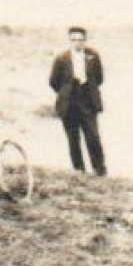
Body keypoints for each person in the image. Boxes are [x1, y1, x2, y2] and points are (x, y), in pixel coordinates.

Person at [49, 26, 106, 177]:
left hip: (88, 102)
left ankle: (99, 170)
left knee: (93, 136)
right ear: (69, 40)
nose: (77, 43)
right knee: (73, 138)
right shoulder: (61, 59)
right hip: (69, 104)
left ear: (85, 40)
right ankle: (79, 170)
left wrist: (88, 90)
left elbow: (99, 78)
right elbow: (53, 81)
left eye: (80, 40)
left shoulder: (93, 56)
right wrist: (66, 92)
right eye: (73, 40)